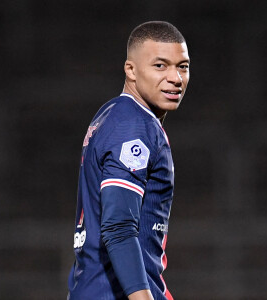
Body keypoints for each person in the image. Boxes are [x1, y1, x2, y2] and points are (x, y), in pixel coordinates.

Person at [67, 21, 190, 300]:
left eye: (182, 66)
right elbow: (119, 227)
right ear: (131, 70)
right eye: (160, 66)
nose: (175, 78)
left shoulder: (113, 113)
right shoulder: (133, 126)